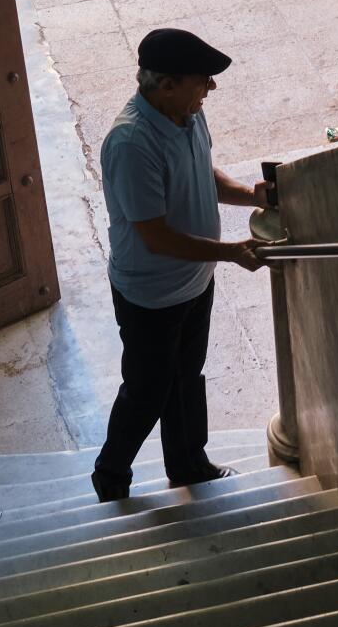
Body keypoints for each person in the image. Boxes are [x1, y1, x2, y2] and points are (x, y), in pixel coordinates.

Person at [92, 27, 268, 503]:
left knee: (187, 376)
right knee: (147, 390)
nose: (211, 87)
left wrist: (250, 195)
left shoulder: (187, 114)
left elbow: (202, 172)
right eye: (202, 80)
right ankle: (111, 475)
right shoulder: (131, 143)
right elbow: (156, 236)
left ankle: (189, 463)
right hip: (151, 295)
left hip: (194, 282)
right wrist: (231, 252)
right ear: (166, 84)